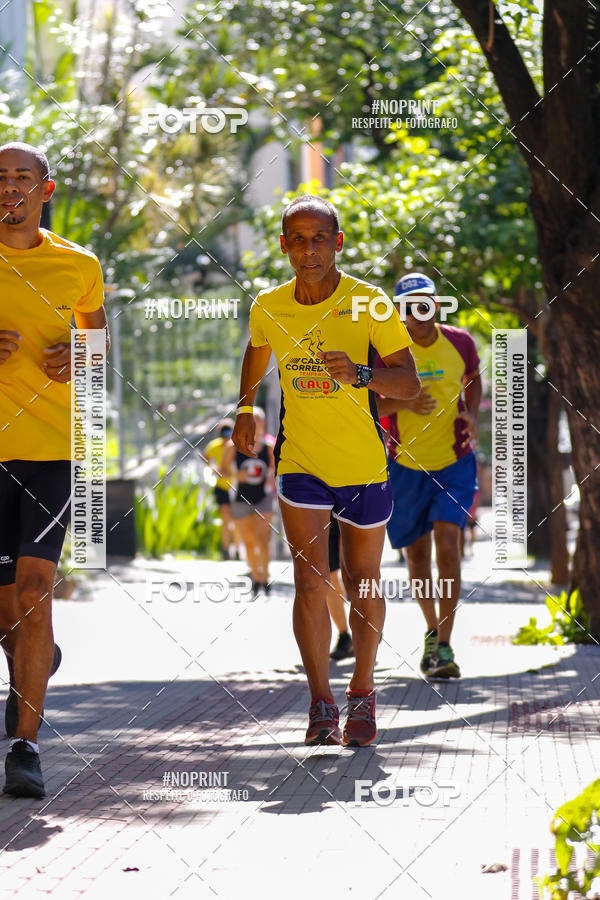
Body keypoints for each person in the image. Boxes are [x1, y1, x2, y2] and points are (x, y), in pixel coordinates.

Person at [232, 195, 419, 747]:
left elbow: (408, 386)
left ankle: (362, 689)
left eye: (320, 239)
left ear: (338, 244)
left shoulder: (370, 303)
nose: (308, 249)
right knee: (310, 579)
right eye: (298, 239)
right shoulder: (269, 305)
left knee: (363, 580)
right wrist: (246, 407)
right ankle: (320, 701)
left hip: (362, 463)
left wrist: (362, 373)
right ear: (284, 245)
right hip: (300, 462)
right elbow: (255, 350)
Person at [0, 142, 109, 797]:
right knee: (9, 612)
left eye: (22, 177)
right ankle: (30, 661)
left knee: (36, 593)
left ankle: (24, 747)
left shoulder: (79, 265)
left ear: (46, 189)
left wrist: (81, 356)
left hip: (50, 451)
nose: (9, 187)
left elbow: (96, 341)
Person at [377, 273, 481, 680]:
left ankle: (446, 644)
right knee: (417, 556)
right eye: (405, 305)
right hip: (405, 466)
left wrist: (471, 414)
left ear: (435, 305)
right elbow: (369, 403)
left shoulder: (461, 342)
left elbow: (472, 379)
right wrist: (404, 401)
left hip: (455, 462)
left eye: (422, 303)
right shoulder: (388, 352)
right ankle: (432, 630)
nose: (414, 312)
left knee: (448, 542)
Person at [222, 408, 274, 596]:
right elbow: (222, 471)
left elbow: (278, 469)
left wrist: (271, 477)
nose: (256, 423)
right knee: (249, 542)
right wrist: (237, 475)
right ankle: (255, 575)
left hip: (264, 498)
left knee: (262, 539)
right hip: (240, 498)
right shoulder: (232, 446)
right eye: (252, 419)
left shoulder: (269, 447)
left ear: (264, 424)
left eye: (259, 420)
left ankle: (265, 579)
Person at [204, 418, 237, 559]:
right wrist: (213, 470)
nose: (226, 437)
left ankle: (237, 549)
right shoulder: (213, 447)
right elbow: (207, 461)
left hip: (237, 486)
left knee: (237, 519)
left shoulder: (237, 445)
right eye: (223, 433)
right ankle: (226, 549)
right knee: (226, 519)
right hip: (221, 486)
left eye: (228, 432)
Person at [327, 514, 354, 661]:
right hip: (320, 508)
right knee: (327, 575)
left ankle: (368, 624)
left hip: (354, 502)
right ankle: (344, 636)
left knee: (354, 571)